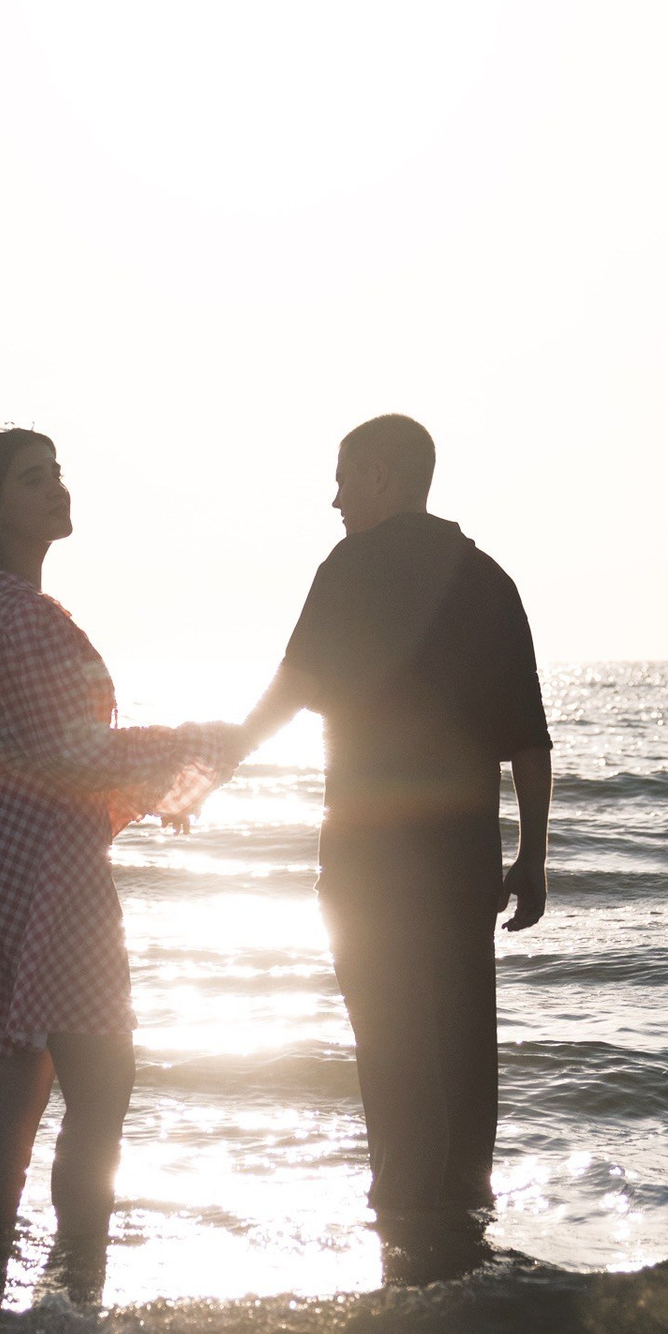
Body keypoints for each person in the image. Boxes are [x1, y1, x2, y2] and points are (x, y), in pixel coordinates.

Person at [235, 413, 550, 1275]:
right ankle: (461, 1238)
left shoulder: (351, 567)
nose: (334, 499)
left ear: (380, 475)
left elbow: (295, 686)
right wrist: (533, 857)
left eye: (343, 478)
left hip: (370, 864)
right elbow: (528, 739)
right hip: (463, 863)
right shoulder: (489, 580)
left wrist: (221, 755)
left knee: (393, 1049)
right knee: (462, 1048)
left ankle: (407, 1245)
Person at [0, 429, 234, 1267]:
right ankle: (78, 1279)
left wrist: (162, 776)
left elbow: (48, 753)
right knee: (102, 1082)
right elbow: (76, 754)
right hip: (46, 865)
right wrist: (196, 744)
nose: (56, 487)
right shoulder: (25, 616)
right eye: (32, 479)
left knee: (20, 1082)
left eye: (57, 472)